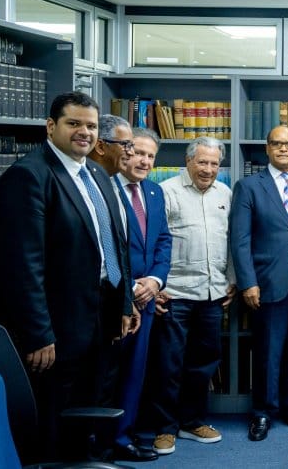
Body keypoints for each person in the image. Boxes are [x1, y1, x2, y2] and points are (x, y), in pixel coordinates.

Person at [0, 91, 135, 464]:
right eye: (74, 123)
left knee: (89, 408)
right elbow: (21, 266)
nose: (84, 132)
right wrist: (38, 333)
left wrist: (124, 303)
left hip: (99, 317)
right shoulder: (29, 176)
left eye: (91, 125)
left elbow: (116, 244)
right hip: (56, 328)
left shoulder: (96, 174)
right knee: (54, 416)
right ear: (51, 127)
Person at [230, 125, 288, 442]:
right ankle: (262, 412)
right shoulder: (248, 186)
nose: (283, 148)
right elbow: (240, 240)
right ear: (267, 149)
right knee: (268, 352)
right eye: (276, 143)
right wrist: (248, 282)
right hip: (267, 281)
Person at [147, 137, 235, 456]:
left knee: (203, 363)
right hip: (175, 293)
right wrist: (156, 284)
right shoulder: (166, 191)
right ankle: (165, 428)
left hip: (213, 294)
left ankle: (192, 422)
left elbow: (232, 240)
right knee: (169, 364)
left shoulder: (225, 194)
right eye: (202, 162)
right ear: (188, 162)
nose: (208, 169)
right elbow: (154, 241)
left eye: (214, 163)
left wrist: (232, 279)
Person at [111, 127, 172, 462]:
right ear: (123, 151)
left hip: (147, 298)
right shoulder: (106, 189)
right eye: (138, 152)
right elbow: (105, 248)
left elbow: (163, 240)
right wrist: (132, 285)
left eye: (151, 156)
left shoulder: (154, 192)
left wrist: (155, 281)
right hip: (115, 297)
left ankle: (125, 435)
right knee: (109, 372)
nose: (145, 161)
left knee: (136, 371)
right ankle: (102, 437)